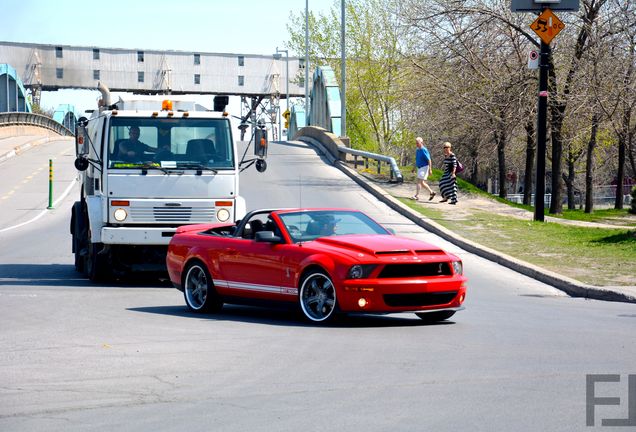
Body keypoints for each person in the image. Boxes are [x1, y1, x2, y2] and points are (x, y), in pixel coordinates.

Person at [412, 137, 435, 201]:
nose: (416, 144)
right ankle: (431, 192)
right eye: (416, 143)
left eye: (418, 143)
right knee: (422, 183)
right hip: (419, 168)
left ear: (421, 143)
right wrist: (414, 168)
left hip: (424, 167)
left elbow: (429, 160)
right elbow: (416, 160)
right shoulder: (417, 150)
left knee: (419, 181)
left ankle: (416, 196)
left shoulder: (424, 150)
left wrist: (430, 169)